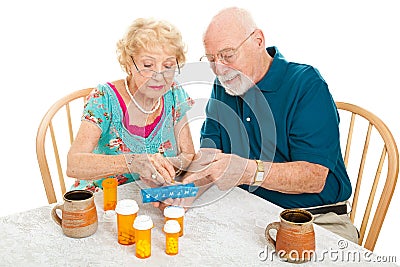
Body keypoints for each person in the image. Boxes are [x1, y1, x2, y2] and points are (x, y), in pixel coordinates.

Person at [183, 7, 358, 243]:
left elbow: (314, 177)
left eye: (227, 55)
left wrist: (246, 171)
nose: (220, 68)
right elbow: (209, 153)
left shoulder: (306, 84)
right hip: (249, 210)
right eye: (212, 59)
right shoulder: (224, 84)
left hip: (314, 219)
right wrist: (182, 190)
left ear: (258, 41)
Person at [67, 17, 195, 194]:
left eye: (168, 65)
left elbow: (188, 155)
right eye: (148, 65)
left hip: (150, 196)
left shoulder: (175, 94)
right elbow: (74, 165)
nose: (159, 75)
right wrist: (134, 162)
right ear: (129, 64)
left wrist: (161, 169)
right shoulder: (104, 98)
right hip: (105, 199)